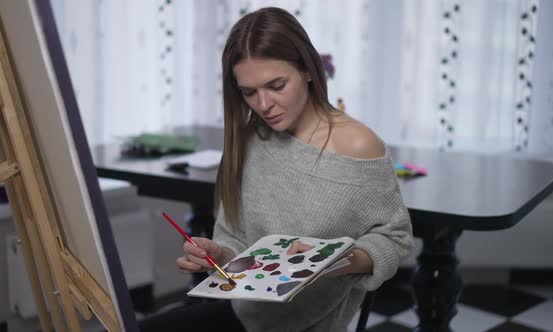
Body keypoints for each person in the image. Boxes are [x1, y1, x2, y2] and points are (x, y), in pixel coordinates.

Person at [172, 6, 413, 332]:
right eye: (249, 92)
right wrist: (220, 253)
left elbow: (394, 239)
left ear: (308, 71)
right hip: (246, 319)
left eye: (276, 85)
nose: (263, 104)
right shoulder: (249, 139)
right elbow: (238, 243)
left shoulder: (358, 146)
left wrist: (333, 259)